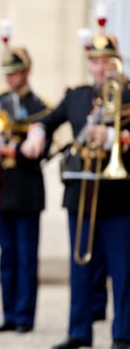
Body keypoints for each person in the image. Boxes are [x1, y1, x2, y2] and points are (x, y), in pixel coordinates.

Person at [21, 32, 130, 349]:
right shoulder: (77, 96)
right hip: (81, 191)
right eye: (94, 62)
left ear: (116, 63)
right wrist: (37, 133)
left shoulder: (127, 96)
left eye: (105, 62)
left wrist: (110, 138)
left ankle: (122, 334)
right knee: (80, 267)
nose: (99, 69)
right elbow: (49, 120)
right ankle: (79, 331)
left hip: (118, 193)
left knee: (123, 269)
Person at [0, 46, 51, 334]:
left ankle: (25, 315)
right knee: (6, 255)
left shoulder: (40, 107)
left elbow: (43, 151)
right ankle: (9, 313)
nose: (11, 78)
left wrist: (15, 148)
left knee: (26, 256)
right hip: (2, 189)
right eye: (8, 73)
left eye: (16, 72)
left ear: (27, 71)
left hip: (27, 190)